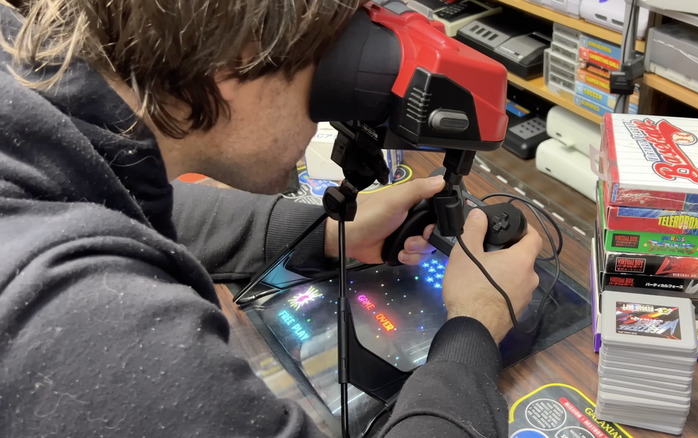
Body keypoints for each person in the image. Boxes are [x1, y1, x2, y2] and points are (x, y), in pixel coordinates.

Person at [0, 0, 543, 436]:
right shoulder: (83, 321)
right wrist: (473, 326)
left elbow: (109, 194)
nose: (322, 122)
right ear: (239, 56)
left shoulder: (30, 100)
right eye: (326, 83)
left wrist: (333, 233)